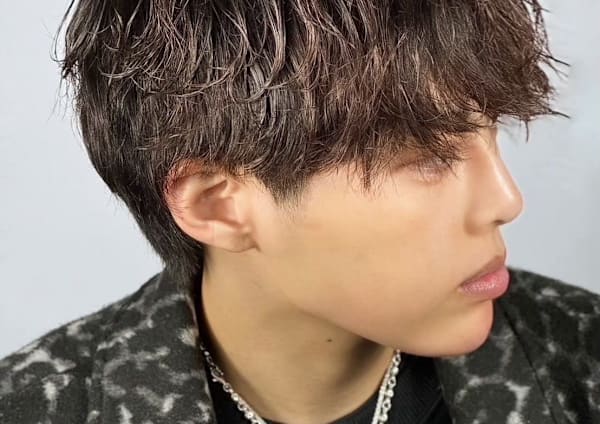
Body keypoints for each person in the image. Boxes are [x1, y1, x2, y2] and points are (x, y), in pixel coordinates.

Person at [1, 0, 599, 423]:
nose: (506, 200)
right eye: (428, 158)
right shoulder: (35, 406)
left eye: (492, 131)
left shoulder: (583, 363)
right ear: (217, 205)